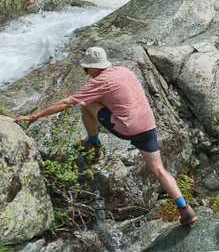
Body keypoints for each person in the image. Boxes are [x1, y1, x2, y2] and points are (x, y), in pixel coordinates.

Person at [14, 46, 198, 226]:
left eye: (87, 68)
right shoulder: (125, 71)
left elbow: (65, 103)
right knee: (159, 170)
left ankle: (93, 144)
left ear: (94, 67)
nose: (87, 72)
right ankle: (184, 207)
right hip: (147, 124)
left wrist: (33, 117)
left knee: (86, 104)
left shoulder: (100, 82)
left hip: (127, 127)